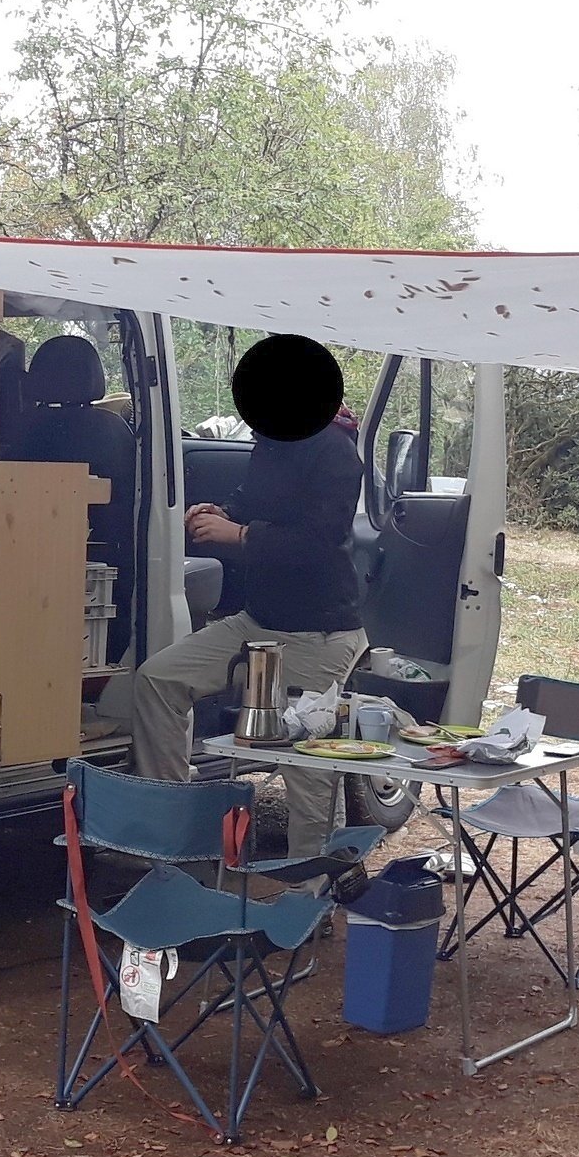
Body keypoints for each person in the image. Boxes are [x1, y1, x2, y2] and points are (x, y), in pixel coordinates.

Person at [130, 333, 366, 856]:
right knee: (158, 680)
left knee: (307, 767)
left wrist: (239, 535)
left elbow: (318, 542)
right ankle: (173, 831)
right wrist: (220, 512)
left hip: (319, 632)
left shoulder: (335, 450)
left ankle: (314, 884)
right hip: (259, 623)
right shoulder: (273, 442)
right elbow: (251, 498)